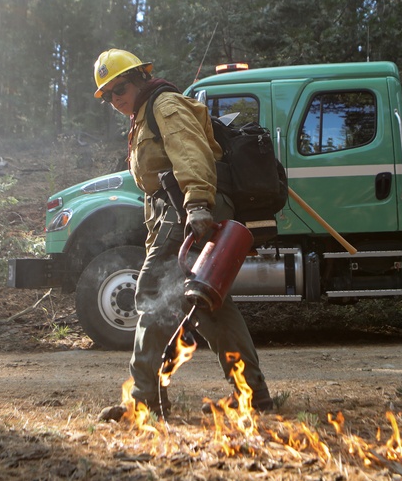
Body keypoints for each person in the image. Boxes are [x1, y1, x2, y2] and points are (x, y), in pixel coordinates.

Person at [93, 48, 272, 421]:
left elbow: (191, 156)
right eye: (108, 94)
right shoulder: (142, 117)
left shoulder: (165, 106)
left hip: (188, 211)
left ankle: (143, 402)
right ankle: (255, 398)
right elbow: (154, 192)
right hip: (177, 213)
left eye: (120, 88)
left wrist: (198, 206)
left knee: (154, 296)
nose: (115, 99)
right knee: (211, 307)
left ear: (141, 77)